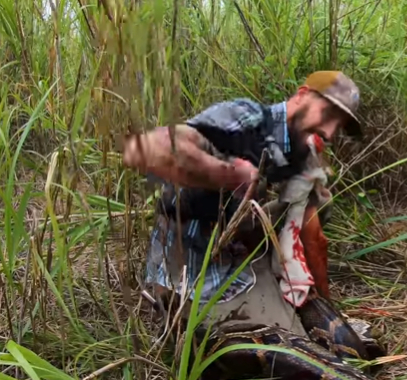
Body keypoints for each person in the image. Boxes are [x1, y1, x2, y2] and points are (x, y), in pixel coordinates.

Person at [122, 71, 362, 333]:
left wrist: (327, 307)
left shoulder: (300, 145)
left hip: (234, 242)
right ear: (303, 96)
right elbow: (147, 148)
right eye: (327, 115)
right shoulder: (247, 118)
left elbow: (310, 231)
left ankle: (273, 280)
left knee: (318, 202)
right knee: (291, 342)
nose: (329, 133)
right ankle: (191, 311)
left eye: (337, 127)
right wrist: (228, 175)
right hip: (191, 269)